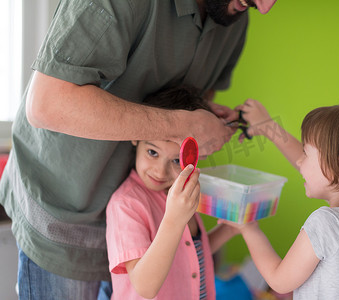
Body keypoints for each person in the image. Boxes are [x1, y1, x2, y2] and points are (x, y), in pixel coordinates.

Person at [0, 0, 277, 299]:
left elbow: (187, 251)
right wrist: (181, 126)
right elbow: (47, 104)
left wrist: (202, 118)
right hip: (64, 213)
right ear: (137, 143)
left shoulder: (233, 16)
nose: (265, 8)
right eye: (154, 153)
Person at [224, 99, 339, 299]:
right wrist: (268, 127)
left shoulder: (327, 222)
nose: (300, 161)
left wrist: (249, 229)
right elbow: (320, 171)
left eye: (306, 153)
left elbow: (278, 281)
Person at [106, 85, 239, 300]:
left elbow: (188, 255)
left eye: (177, 160)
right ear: (135, 137)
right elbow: (144, 286)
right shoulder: (126, 204)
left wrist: (230, 229)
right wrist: (174, 220)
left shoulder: (178, 192)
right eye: (152, 152)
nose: (160, 171)